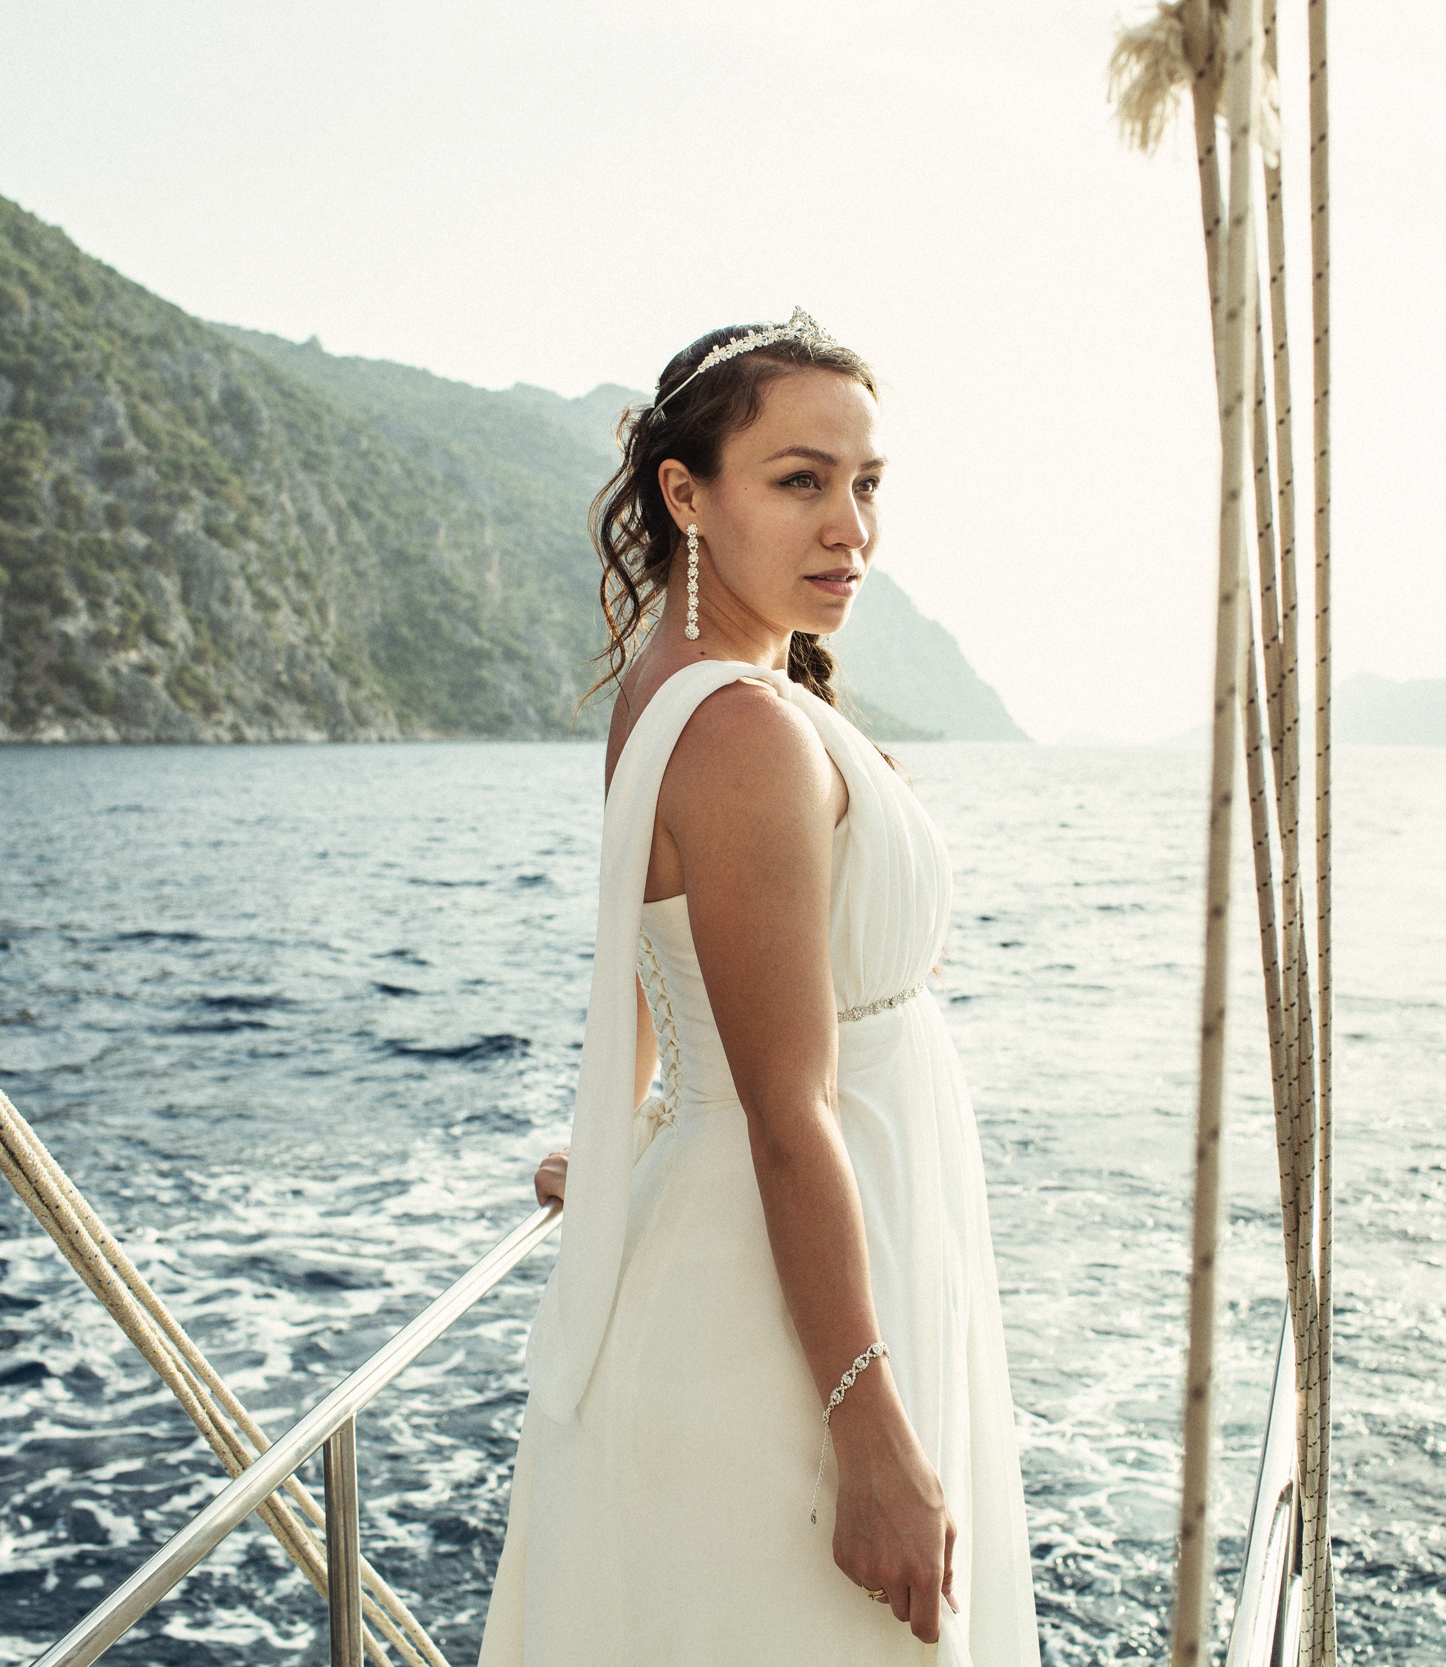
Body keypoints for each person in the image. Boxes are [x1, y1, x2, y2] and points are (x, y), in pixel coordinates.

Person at [480, 311, 1035, 1664]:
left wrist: (618, 1149)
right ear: (688, 494)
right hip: (788, 1311)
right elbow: (791, 1110)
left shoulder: (679, 689)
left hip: (787, 1238)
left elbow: (662, 971)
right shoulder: (737, 729)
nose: (849, 526)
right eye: (800, 481)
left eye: (866, 484)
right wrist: (869, 1421)